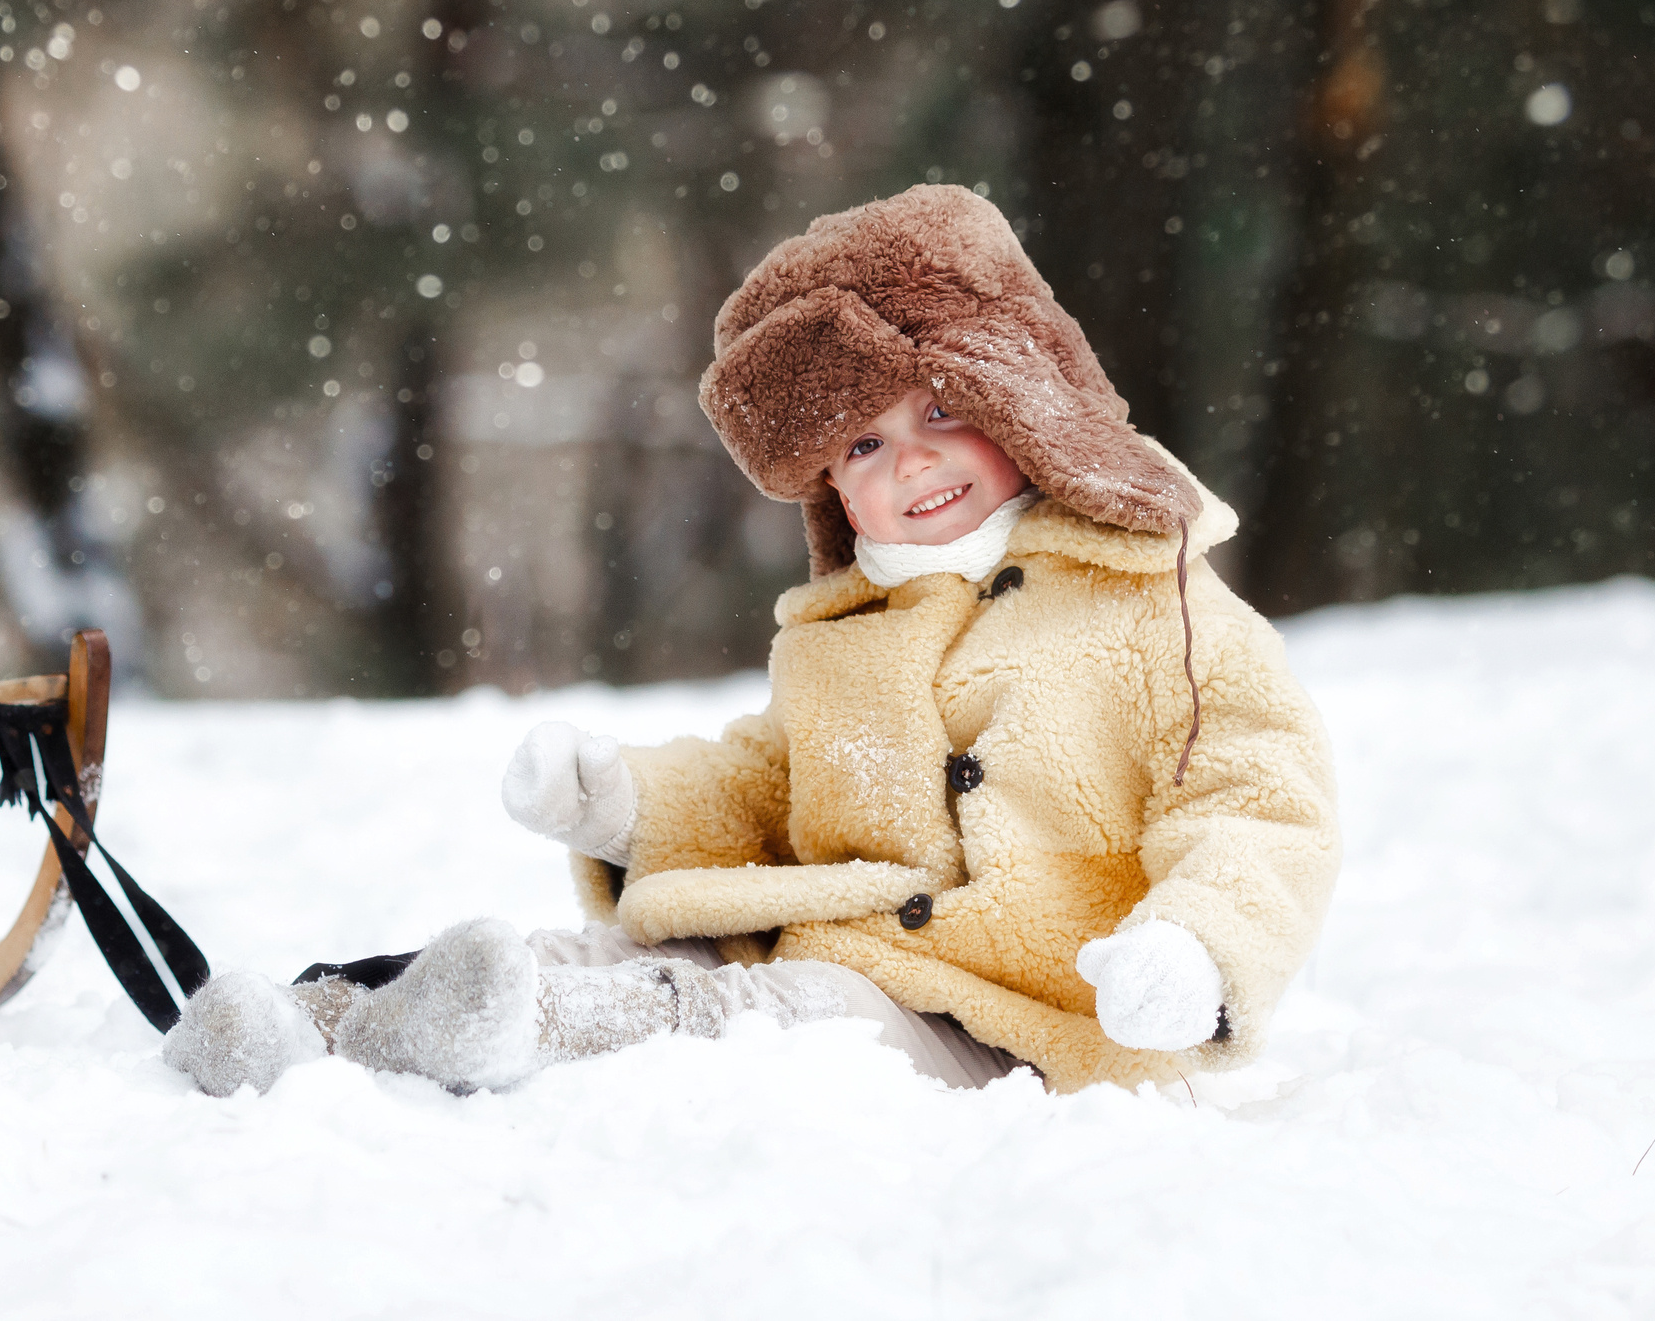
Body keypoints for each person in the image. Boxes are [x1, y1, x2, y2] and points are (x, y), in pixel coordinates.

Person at [162, 184, 1340, 1097]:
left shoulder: (1153, 607)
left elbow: (1259, 805)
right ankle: (316, 1027)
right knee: (613, 957)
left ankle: (519, 1027)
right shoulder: (849, 633)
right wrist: (624, 804)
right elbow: (769, 790)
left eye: (941, 412)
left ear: (1021, 405)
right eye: (862, 447)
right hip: (824, 951)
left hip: (1017, 1027)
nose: (911, 460)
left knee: (772, 1027)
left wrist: (1192, 947)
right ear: (832, 491)